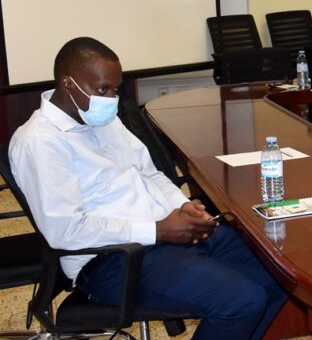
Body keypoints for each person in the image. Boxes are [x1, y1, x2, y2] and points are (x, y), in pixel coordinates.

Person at [8, 38, 287, 340]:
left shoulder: (102, 119)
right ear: (68, 84)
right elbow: (66, 230)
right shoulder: (40, 141)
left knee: (281, 275)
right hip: (114, 261)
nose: (111, 98)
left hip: (164, 235)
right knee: (243, 301)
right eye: (103, 89)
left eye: (115, 89)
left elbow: (149, 172)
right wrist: (158, 230)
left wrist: (180, 206)